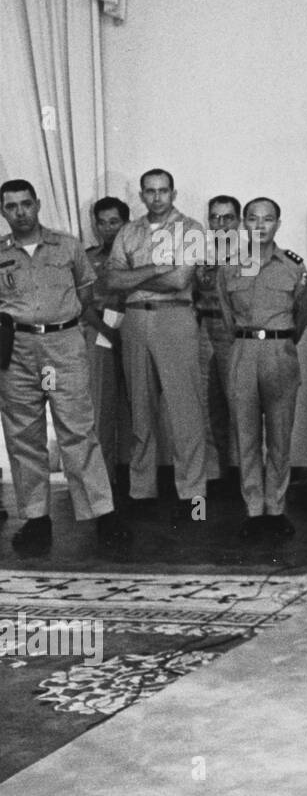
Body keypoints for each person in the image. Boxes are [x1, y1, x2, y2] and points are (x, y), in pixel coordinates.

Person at [0, 179, 130, 553]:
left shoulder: (67, 246)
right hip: (18, 350)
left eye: (26, 203)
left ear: (38, 204)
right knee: (24, 435)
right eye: (12, 206)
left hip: (61, 345)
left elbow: (86, 293)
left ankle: (103, 514)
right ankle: (37, 519)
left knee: (77, 428)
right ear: (4, 211)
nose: (21, 212)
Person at [105, 169, 211, 522]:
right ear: (141, 195)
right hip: (135, 320)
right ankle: (141, 491)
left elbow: (181, 278)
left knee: (186, 410)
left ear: (173, 192)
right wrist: (155, 267)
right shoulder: (128, 230)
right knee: (140, 408)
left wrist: (136, 276)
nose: (156, 197)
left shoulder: (191, 229)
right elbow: (112, 279)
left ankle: (193, 495)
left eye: (163, 191)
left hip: (175, 318)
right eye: (149, 192)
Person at [217, 197, 307, 543]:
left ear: (278, 223)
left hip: (280, 353)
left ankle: (276, 508)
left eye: (268, 219)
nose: (260, 226)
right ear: (244, 224)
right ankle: (253, 509)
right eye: (253, 219)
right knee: (245, 437)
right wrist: (248, 343)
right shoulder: (229, 268)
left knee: (279, 437)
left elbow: (303, 316)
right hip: (243, 351)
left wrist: (280, 343)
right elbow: (227, 316)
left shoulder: (294, 268)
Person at [82, 197, 133, 497]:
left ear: (125, 223)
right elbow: (81, 301)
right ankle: (105, 479)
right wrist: (105, 331)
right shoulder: (88, 258)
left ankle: (138, 479)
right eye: (101, 222)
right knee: (101, 407)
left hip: (136, 329)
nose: (107, 228)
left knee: (139, 407)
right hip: (99, 331)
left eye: (114, 222)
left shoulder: (138, 255)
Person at [198, 194, 242, 484]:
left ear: (237, 221)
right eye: (215, 217)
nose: (221, 223)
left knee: (239, 405)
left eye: (227, 218)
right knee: (206, 405)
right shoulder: (199, 253)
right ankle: (215, 475)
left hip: (234, 335)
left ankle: (243, 472)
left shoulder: (250, 254)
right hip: (204, 331)